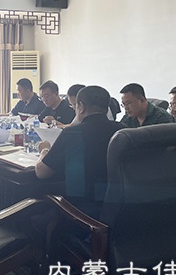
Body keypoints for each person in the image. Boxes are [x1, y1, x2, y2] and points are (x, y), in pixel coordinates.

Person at [35, 85, 126, 216]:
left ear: (81, 107)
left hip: (81, 208)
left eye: (74, 107)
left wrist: (44, 150)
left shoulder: (73, 133)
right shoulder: (123, 130)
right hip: (119, 207)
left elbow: (42, 172)